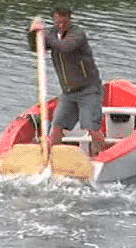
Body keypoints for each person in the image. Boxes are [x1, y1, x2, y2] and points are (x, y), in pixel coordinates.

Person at [27, 8, 110, 156]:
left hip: (89, 90)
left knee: (91, 127)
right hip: (68, 92)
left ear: (69, 20)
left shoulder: (77, 35)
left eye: (63, 22)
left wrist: (45, 35)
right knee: (57, 125)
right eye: (57, 22)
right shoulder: (51, 34)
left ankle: (101, 155)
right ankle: (49, 157)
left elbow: (64, 47)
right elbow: (35, 48)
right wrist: (33, 34)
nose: (60, 25)